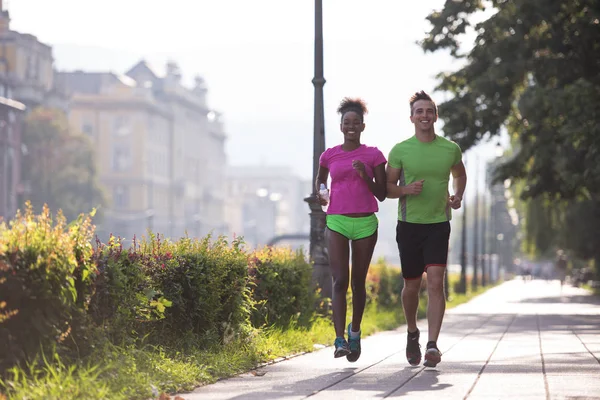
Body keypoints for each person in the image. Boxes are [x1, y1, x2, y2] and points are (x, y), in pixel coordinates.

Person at [386, 90, 467, 368]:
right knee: (411, 286)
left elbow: (460, 174)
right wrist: (406, 189)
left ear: (435, 115)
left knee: (435, 283)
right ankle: (412, 332)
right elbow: (387, 188)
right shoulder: (400, 150)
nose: (424, 116)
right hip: (409, 226)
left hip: (438, 225)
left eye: (429, 111)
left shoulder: (450, 149)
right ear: (411, 118)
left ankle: (432, 345)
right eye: (419, 111)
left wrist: (457, 196)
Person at [316, 97, 387, 362]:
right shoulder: (329, 155)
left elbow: (381, 194)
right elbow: (320, 184)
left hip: (366, 222)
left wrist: (364, 175)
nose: (351, 127)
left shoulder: (374, 155)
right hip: (336, 220)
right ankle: (339, 340)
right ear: (341, 125)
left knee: (358, 282)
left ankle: (354, 331)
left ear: (363, 126)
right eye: (347, 122)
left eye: (356, 123)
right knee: (339, 281)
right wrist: (322, 194)